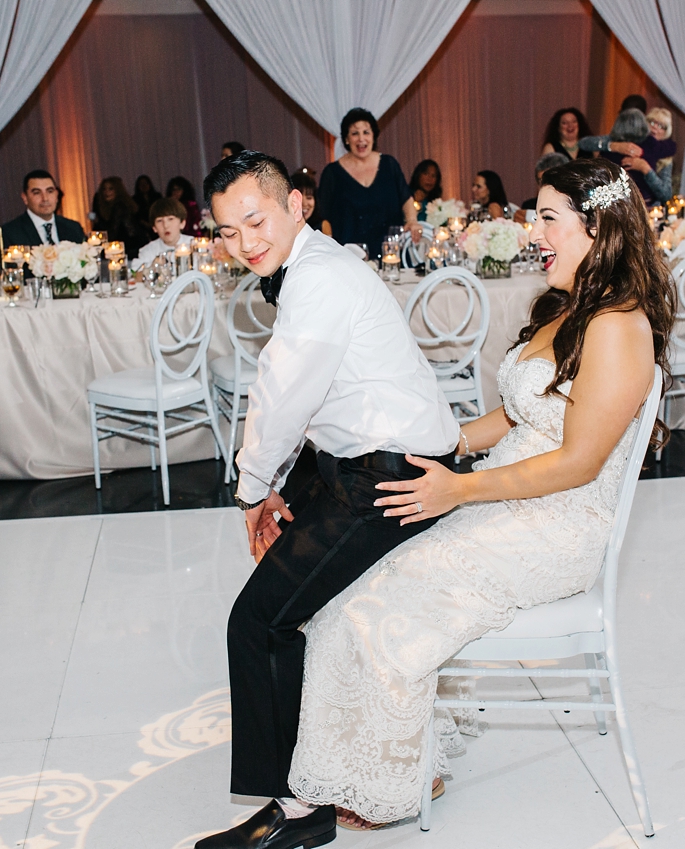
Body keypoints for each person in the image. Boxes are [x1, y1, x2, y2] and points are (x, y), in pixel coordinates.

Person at [280, 159, 675, 831]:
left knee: (384, 595)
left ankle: (392, 780)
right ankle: (401, 756)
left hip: (555, 524)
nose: (533, 230)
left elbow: (579, 463)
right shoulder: (570, 306)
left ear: (597, 224)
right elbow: (516, 415)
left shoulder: (617, 326)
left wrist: (458, 489)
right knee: (358, 575)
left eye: (548, 217)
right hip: (505, 497)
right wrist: (434, 442)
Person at [192, 150, 462, 848]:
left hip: (392, 481)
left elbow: (282, 397)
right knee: (280, 598)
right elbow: (311, 408)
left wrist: (253, 492)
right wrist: (280, 488)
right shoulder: (318, 266)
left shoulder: (317, 281)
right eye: (227, 231)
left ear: (296, 206)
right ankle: (314, 775)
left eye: (255, 220)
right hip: (364, 461)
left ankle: (299, 810)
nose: (245, 242)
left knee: (258, 621)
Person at [316, 108, 416, 250]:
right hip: (350, 256)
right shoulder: (332, 173)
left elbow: (406, 198)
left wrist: (412, 221)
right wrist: (330, 247)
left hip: (391, 253)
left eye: (366, 132)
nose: (361, 139)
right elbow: (324, 217)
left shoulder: (389, 164)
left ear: (374, 136)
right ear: (346, 139)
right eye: (355, 133)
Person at [584, 109, 674, 202]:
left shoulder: (665, 156)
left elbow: (666, 195)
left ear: (666, 132)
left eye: (661, 126)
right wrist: (612, 146)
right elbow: (585, 143)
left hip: (650, 208)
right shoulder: (625, 142)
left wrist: (645, 169)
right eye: (651, 122)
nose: (655, 127)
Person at [0, 170, 86, 252]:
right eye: (37, 193)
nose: (45, 198)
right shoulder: (8, 233)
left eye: (50, 191)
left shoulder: (73, 228)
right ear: (25, 198)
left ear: (56, 195)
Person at [132, 198, 192, 269]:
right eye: (159, 221)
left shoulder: (194, 245)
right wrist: (153, 267)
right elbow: (135, 273)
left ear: (182, 223)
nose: (165, 225)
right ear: (154, 228)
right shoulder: (148, 250)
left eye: (170, 219)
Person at [90, 176, 137, 245]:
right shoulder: (111, 206)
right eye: (104, 189)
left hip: (130, 245)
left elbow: (112, 232)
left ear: (118, 191)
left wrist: (98, 221)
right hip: (125, 243)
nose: (106, 192)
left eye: (110, 189)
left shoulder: (120, 206)